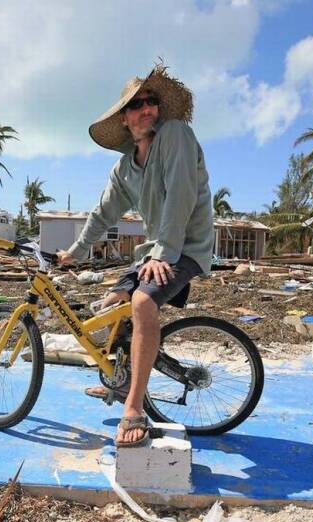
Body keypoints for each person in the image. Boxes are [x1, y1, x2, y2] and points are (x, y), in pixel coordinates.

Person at [56, 64, 214, 447]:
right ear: (124, 119)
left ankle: (135, 407)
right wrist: (75, 251)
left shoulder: (176, 135)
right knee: (110, 306)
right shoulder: (124, 168)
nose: (147, 109)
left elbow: (181, 195)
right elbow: (103, 213)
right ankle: (122, 378)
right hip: (154, 253)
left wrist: (164, 252)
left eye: (152, 102)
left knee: (142, 302)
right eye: (138, 105)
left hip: (186, 247)